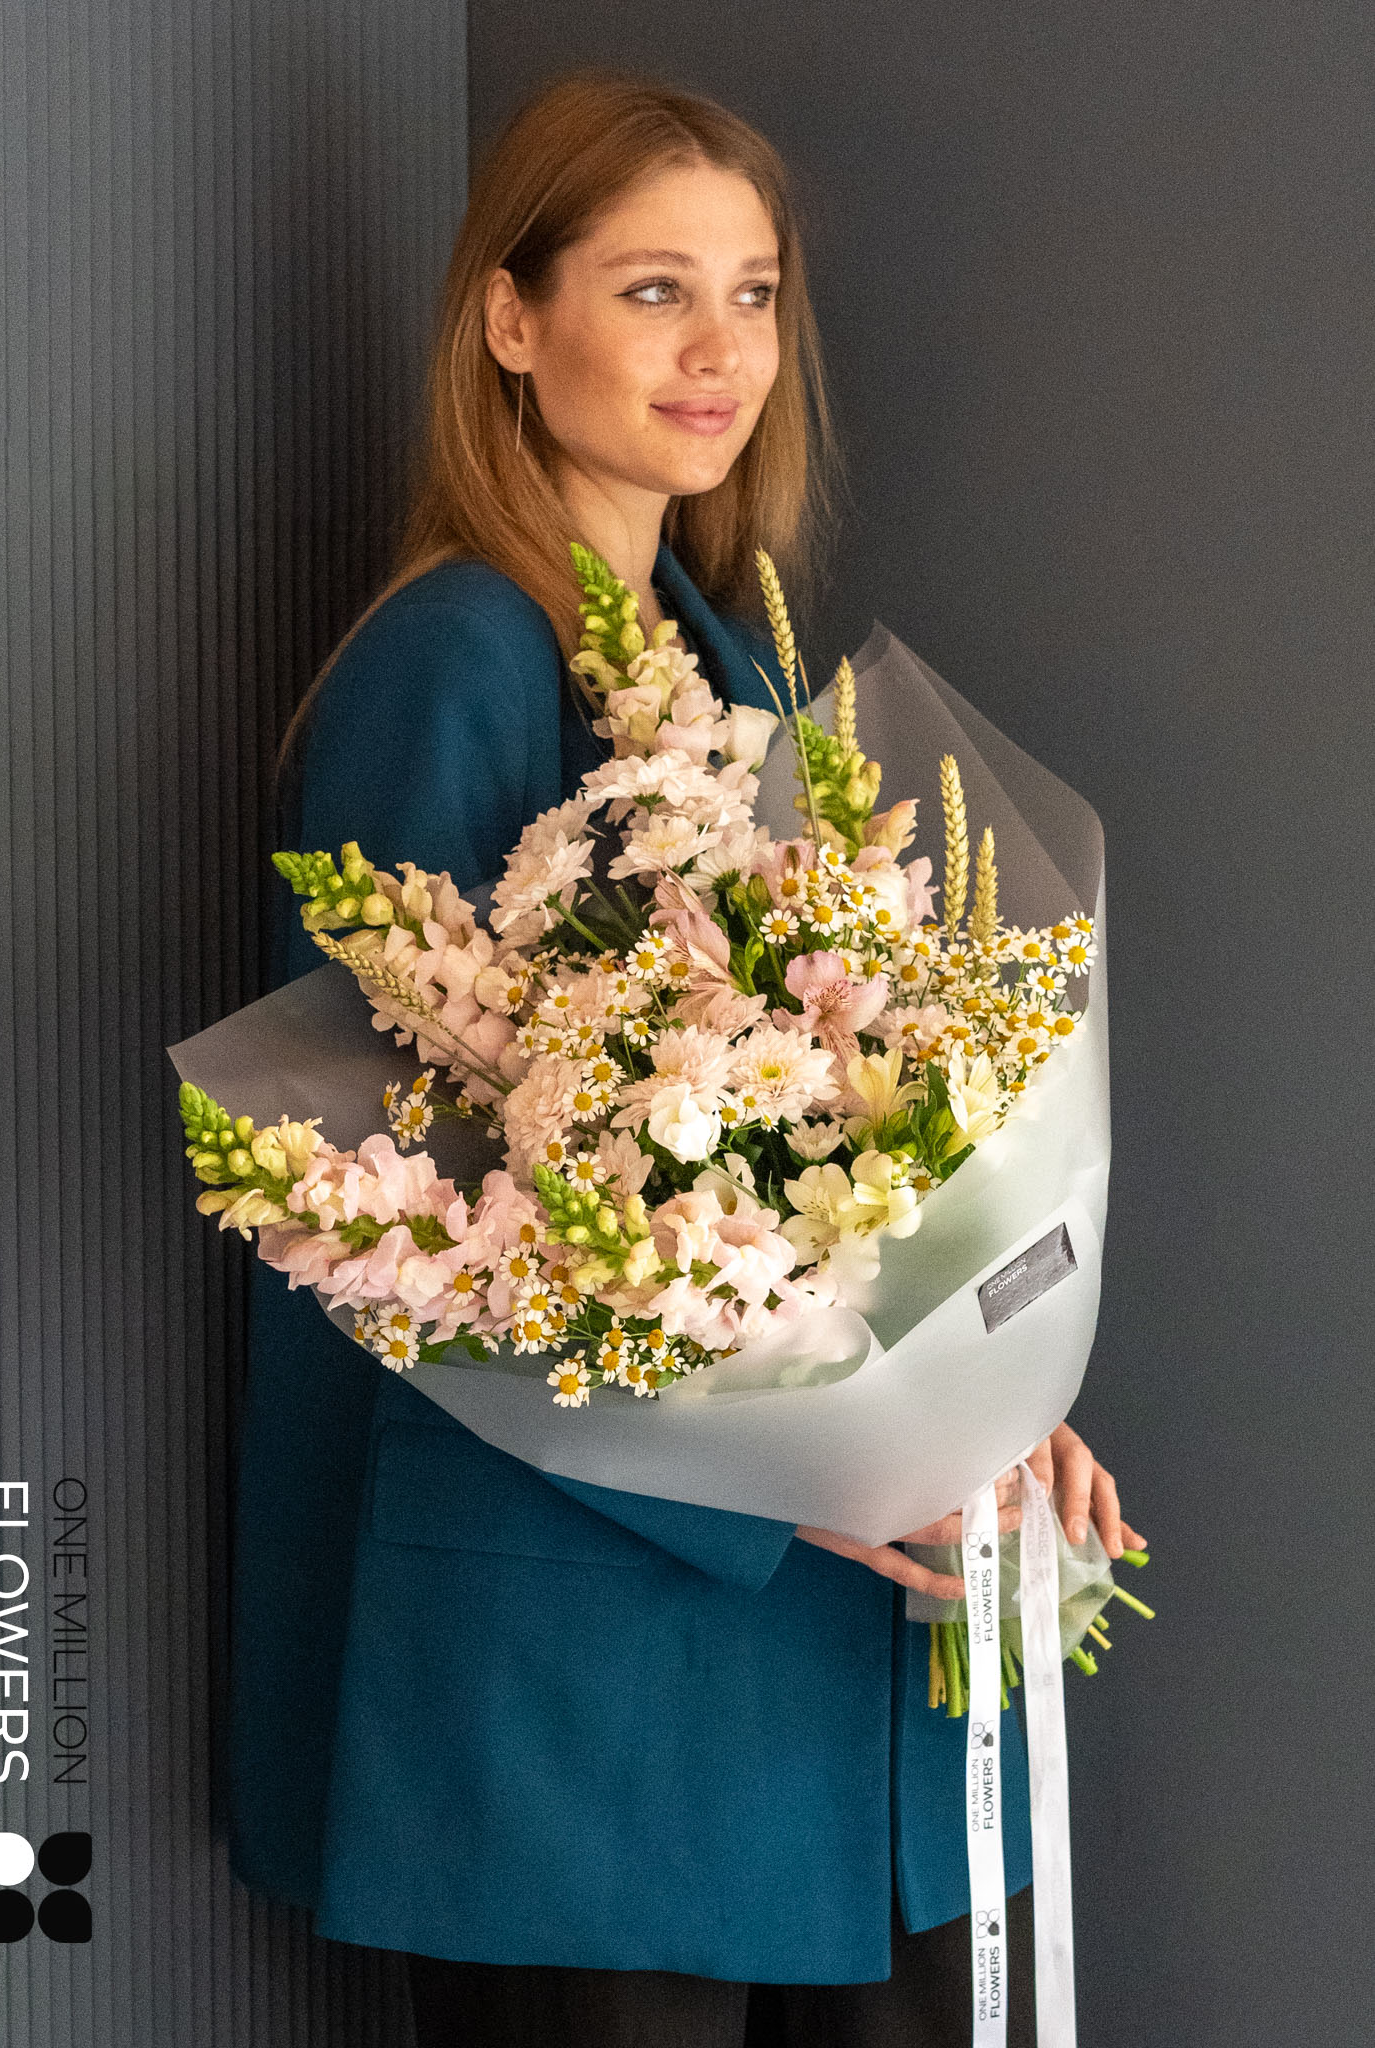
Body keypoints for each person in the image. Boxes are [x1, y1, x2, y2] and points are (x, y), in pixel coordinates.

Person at [232, 68, 1145, 2047]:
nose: (719, 350)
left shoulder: (738, 664)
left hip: (811, 1680)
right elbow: (391, 1211)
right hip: (586, 1704)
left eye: (752, 293)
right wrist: (816, 1475)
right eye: (654, 290)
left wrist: (985, 1402)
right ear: (510, 317)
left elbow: (845, 1148)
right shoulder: (455, 659)